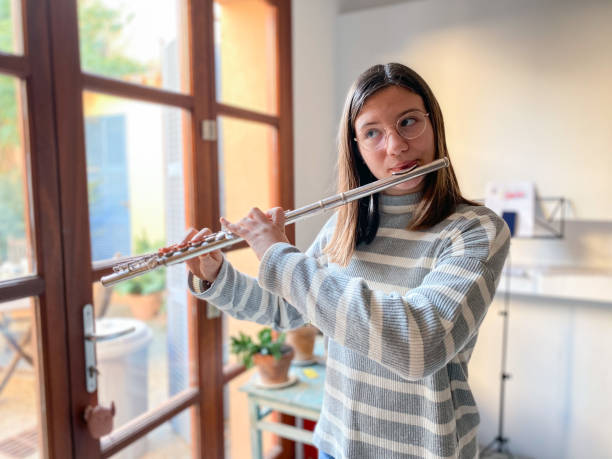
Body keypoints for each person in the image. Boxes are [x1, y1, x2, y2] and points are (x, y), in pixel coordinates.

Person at [184, 62, 510, 459]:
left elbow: (418, 345)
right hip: (339, 445)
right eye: (373, 133)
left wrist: (278, 255)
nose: (395, 146)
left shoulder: (474, 230)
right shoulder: (345, 226)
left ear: (433, 125)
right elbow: (289, 309)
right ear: (356, 147)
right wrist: (217, 275)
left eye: (408, 122)